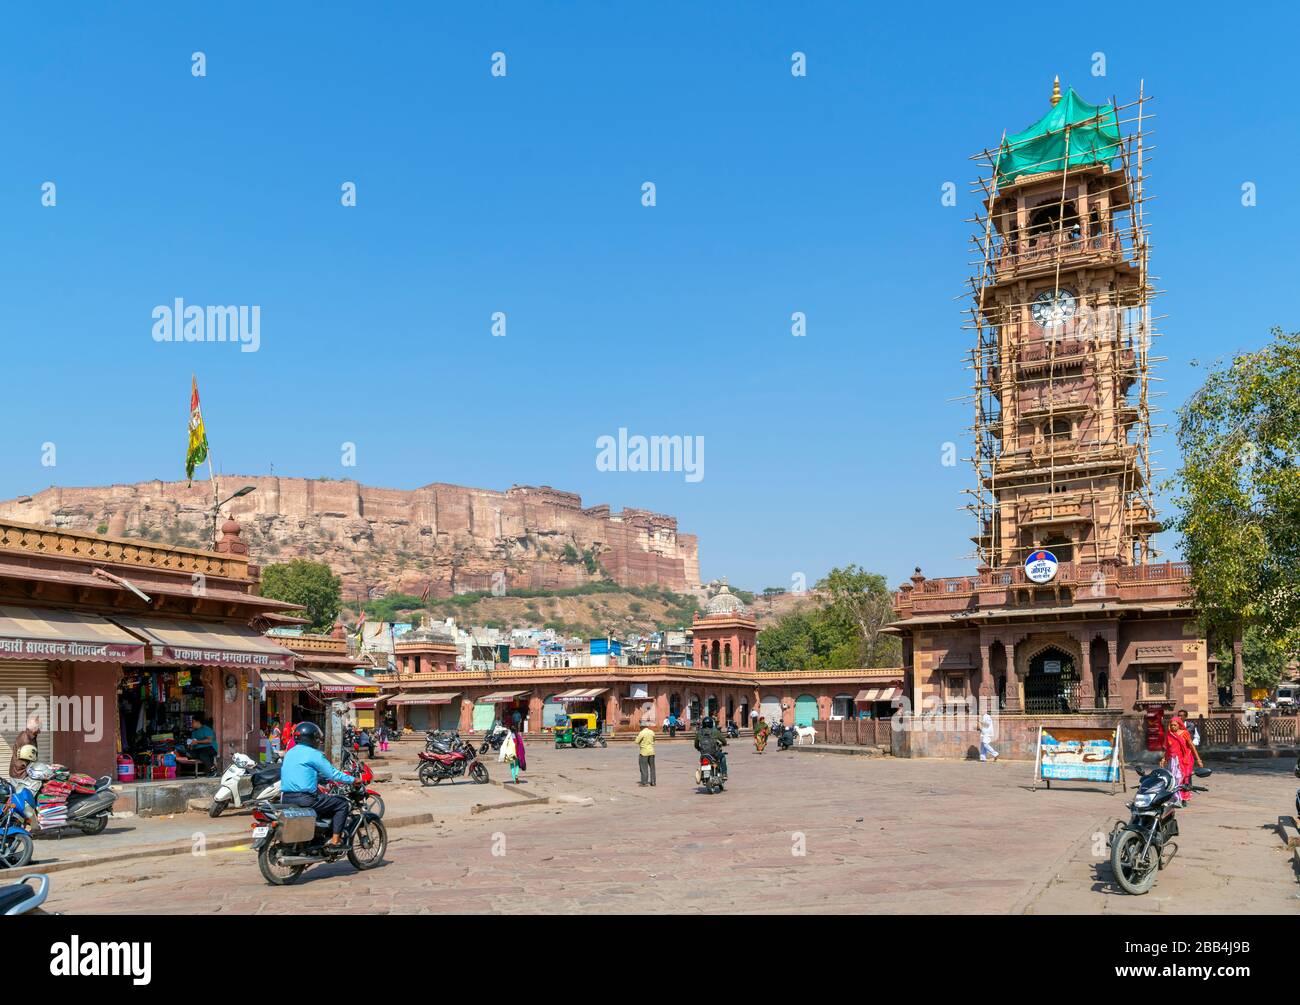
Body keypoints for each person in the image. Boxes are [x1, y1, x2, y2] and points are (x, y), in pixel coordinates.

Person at [280, 722, 355, 846]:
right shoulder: (314, 754)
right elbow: (332, 774)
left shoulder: (290, 753)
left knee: (323, 799)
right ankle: (336, 840)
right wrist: (353, 780)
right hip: (305, 799)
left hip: (286, 798)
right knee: (342, 804)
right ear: (312, 738)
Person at [636, 722, 656, 786]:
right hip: (651, 751)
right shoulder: (652, 732)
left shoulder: (642, 733)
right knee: (652, 767)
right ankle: (653, 782)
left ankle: (644, 782)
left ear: (642, 727)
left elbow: (636, 741)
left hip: (644, 752)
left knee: (644, 767)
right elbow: (654, 740)